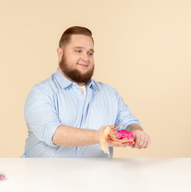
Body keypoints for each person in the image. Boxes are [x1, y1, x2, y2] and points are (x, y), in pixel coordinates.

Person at [22, 26, 151, 158]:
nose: (86, 58)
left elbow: (127, 121)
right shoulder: (41, 92)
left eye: (90, 53)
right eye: (78, 51)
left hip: (96, 177)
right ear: (60, 54)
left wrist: (136, 131)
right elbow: (53, 133)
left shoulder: (110, 94)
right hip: (43, 176)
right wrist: (99, 136)